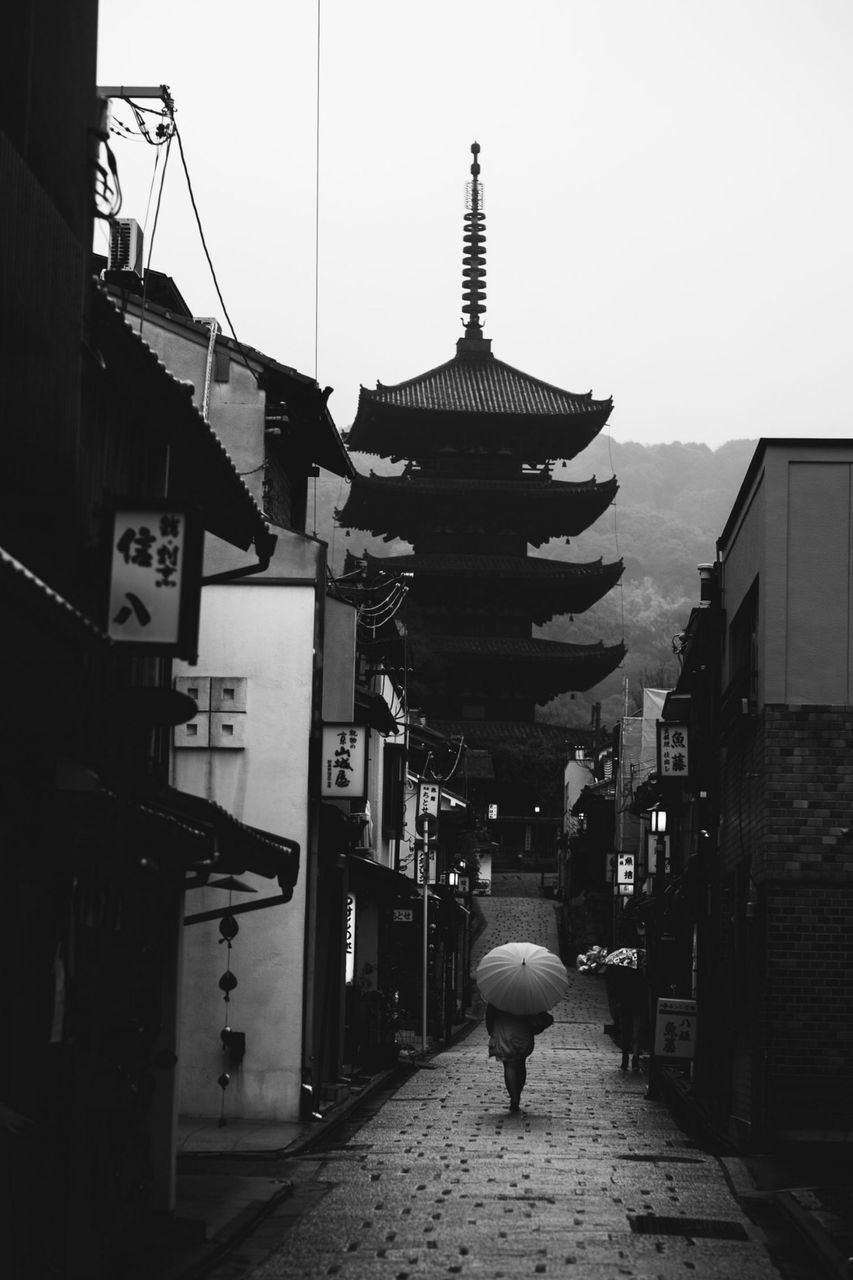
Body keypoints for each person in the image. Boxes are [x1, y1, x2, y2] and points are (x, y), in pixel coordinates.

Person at [485, 1003, 554, 1111]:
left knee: (509, 1065)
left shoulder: (499, 994)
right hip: (523, 1031)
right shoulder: (528, 994)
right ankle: (517, 1092)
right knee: (521, 1063)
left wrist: (491, 1029)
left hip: (504, 1031)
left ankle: (514, 1098)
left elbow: (490, 1014)